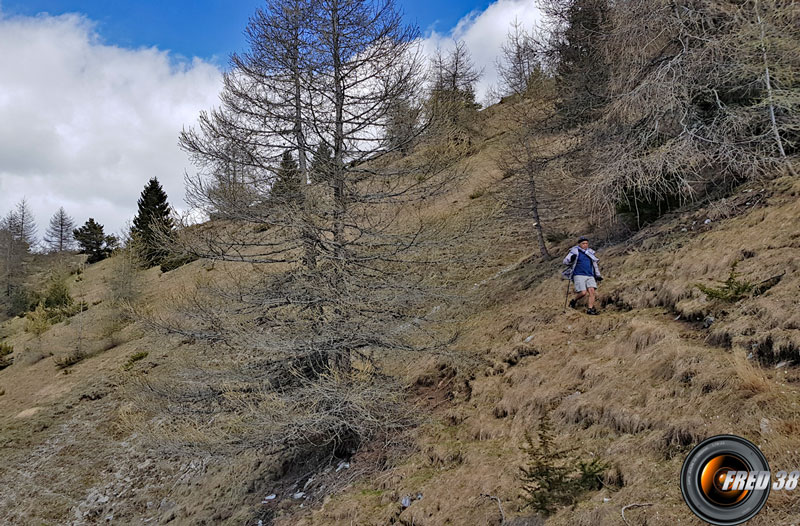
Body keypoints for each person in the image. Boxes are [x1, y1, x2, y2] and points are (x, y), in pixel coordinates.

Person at [563, 236, 602, 315]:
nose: (585, 245)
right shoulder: (574, 252)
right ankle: (574, 301)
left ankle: (590, 309)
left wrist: (598, 275)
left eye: (586, 243)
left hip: (590, 275)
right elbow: (565, 262)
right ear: (579, 244)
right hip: (578, 274)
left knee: (592, 291)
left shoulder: (590, 253)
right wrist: (571, 259)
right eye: (583, 243)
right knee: (583, 292)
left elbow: (595, 265)